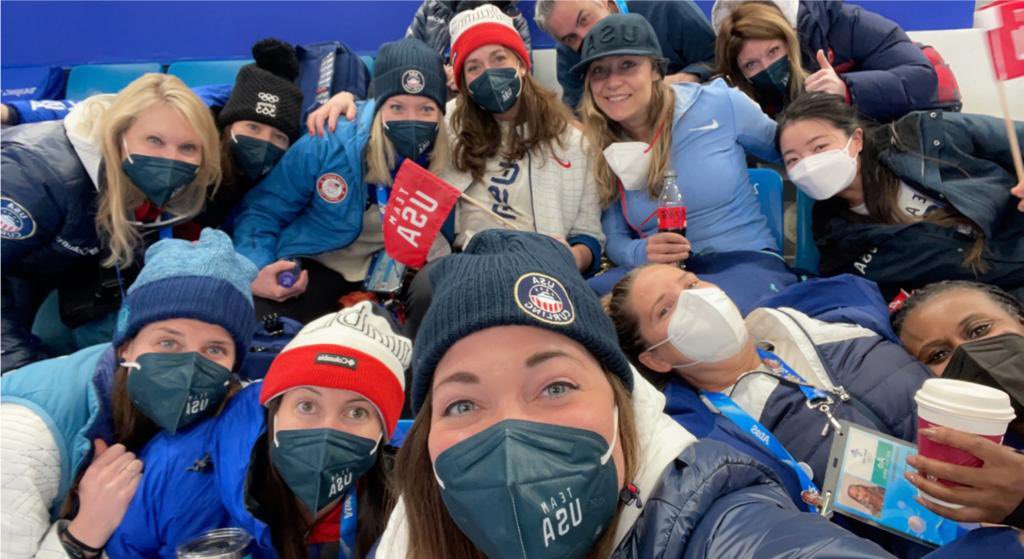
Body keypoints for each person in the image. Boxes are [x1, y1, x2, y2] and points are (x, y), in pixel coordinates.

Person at [375, 229, 890, 558]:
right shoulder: (411, 535)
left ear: (624, 403)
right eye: (462, 403)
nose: (513, 431)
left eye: (556, 386)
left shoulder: (703, 510)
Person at [0, 229, 257, 558]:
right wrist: (83, 534)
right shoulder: (25, 434)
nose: (189, 365)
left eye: (214, 350)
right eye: (168, 343)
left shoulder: (223, 400)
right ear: (126, 346)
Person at [105, 301, 409, 558]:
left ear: (384, 431)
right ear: (273, 412)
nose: (327, 429)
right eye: (306, 406)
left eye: (356, 412)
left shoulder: (412, 492)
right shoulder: (176, 466)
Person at [605, 263, 931, 492]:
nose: (694, 299)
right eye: (666, 309)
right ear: (657, 359)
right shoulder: (717, 443)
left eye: (690, 283)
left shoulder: (820, 322)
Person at [573, 14, 796, 308]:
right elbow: (614, 237)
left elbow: (790, 150)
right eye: (599, 71)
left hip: (743, 261)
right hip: (657, 273)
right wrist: (641, 252)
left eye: (628, 65)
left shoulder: (720, 103)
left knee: (700, 316)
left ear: (655, 70)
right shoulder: (598, 142)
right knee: (577, 306)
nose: (613, 82)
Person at [1, 73, 221, 372]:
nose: (170, 158)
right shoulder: (37, 175)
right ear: (118, 136)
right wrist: (21, 370)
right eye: (154, 140)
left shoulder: (157, 185)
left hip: (56, 259)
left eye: (188, 148)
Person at [231, 37, 450, 324]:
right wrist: (256, 268)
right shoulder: (330, 138)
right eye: (397, 107)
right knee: (271, 329)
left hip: (405, 272)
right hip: (321, 261)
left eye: (426, 109)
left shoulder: (455, 150)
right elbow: (263, 211)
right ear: (378, 104)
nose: (412, 119)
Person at [777, 92, 1024, 303]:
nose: (809, 164)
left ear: (857, 140)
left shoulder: (924, 134)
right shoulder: (841, 245)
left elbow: (1015, 138)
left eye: (819, 147)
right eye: (793, 160)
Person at [712, 0, 941, 121]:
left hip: (907, 129)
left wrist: (846, 88)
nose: (766, 67)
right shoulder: (742, 93)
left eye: (773, 51)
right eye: (751, 64)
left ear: (789, 36)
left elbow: (922, 79)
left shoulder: (849, 24)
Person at [196, 38, 304, 232]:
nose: (264, 142)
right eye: (253, 127)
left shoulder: (286, 178)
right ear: (227, 127)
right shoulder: (191, 159)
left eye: (279, 136)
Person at [533, 0, 716, 109]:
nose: (585, 37)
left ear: (605, 2)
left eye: (584, 19)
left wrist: (685, 79)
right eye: (570, 38)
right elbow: (578, 111)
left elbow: (720, 58)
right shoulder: (568, 55)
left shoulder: (665, 6)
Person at [406, 0, 531, 90]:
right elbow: (408, 60)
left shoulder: (513, 19)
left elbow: (525, 77)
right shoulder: (431, 9)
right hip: (436, 96)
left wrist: (465, 78)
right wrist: (438, 72)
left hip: (485, 101)